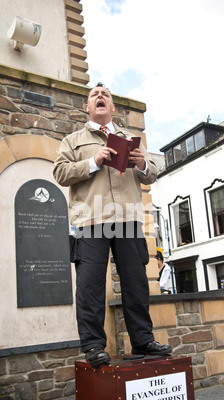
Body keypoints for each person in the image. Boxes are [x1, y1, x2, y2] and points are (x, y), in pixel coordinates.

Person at [53, 83, 171, 367]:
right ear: (88, 106)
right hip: (91, 219)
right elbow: (60, 172)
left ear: (113, 107)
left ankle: (143, 340)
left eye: (105, 95)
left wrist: (142, 164)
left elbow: (151, 173)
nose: (100, 97)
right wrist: (93, 162)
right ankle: (93, 346)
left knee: (136, 283)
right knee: (90, 285)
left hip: (128, 219)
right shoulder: (73, 140)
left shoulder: (130, 139)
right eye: (95, 95)